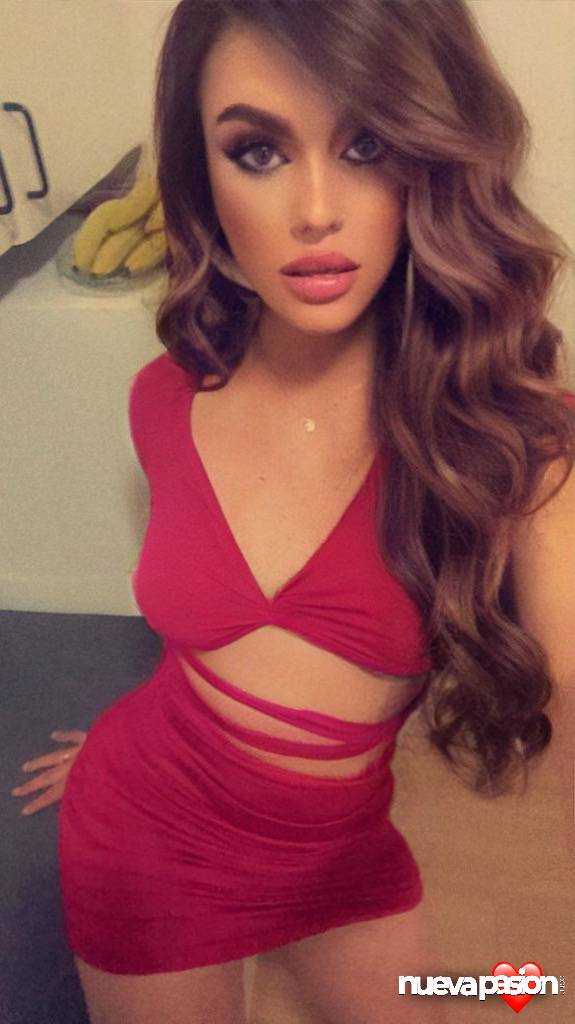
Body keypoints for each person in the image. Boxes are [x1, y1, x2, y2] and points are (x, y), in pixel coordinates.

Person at [10, 1, 575, 1022]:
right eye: (258, 151)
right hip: (145, 845)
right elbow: (206, 633)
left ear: (432, 160)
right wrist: (123, 740)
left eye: (365, 145)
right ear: (202, 177)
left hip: (342, 860)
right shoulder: (163, 400)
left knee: (448, 998)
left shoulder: (508, 436)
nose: (315, 210)